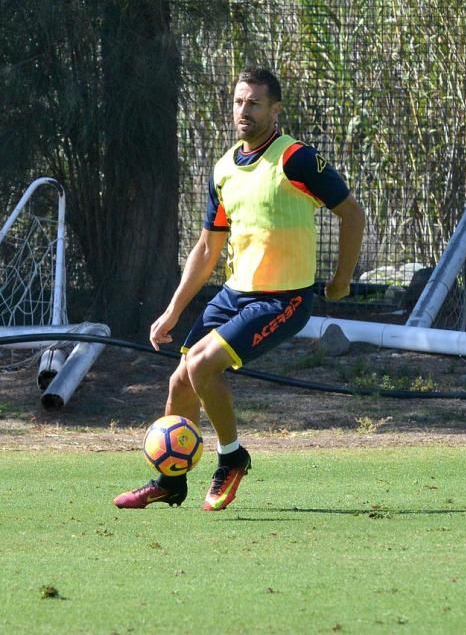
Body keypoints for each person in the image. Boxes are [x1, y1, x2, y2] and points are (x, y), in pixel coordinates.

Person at [114, 67, 365, 512]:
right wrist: (173, 311)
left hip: (283, 299)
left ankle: (232, 458)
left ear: (275, 108)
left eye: (254, 102)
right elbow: (209, 247)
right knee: (179, 382)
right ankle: (170, 482)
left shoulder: (296, 159)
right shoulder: (225, 168)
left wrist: (342, 279)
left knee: (204, 366)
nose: (243, 110)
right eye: (238, 101)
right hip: (235, 294)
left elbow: (351, 213)